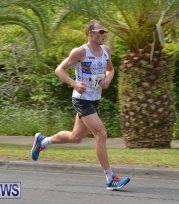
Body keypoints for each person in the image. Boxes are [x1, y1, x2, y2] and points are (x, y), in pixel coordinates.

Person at [31, 19, 130, 190]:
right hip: (81, 99)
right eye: (101, 32)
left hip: (94, 99)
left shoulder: (106, 51)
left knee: (75, 137)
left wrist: (108, 79)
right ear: (90, 34)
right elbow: (59, 69)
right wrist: (74, 84)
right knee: (101, 134)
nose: (104, 34)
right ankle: (110, 177)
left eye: (105, 32)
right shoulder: (80, 52)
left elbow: (110, 69)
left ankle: (43, 141)